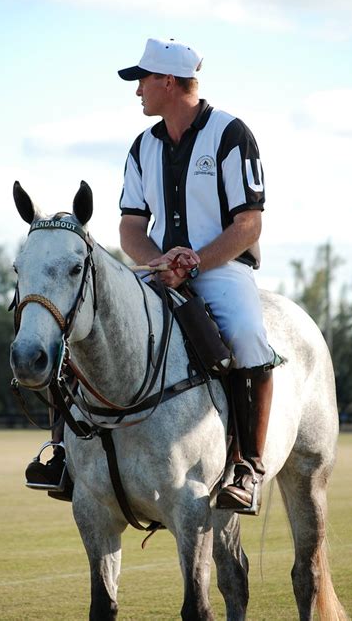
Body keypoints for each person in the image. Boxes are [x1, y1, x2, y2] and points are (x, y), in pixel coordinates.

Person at [118, 37, 276, 514]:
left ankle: (248, 466)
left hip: (221, 269)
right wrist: (160, 261)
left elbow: (248, 223)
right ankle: (65, 453)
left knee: (249, 337)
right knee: (93, 319)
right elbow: (129, 228)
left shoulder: (230, 133)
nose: (137, 91)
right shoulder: (142, 146)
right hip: (161, 273)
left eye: (143, 80)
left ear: (168, 81)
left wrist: (195, 261)